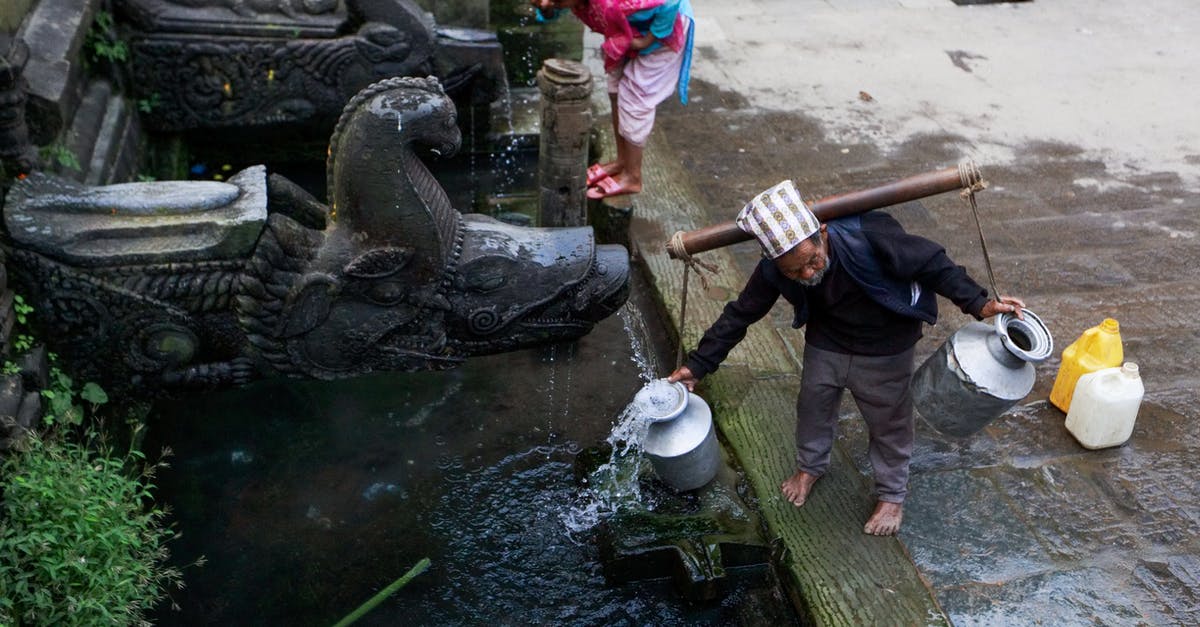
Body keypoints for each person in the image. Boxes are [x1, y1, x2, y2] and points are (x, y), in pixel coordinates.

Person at [667, 180, 1025, 536]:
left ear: (821, 232)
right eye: (794, 272)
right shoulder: (775, 268)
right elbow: (740, 314)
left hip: (886, 345)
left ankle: (891, 494)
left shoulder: (869, 234)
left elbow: (933, 264)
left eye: (812, 260)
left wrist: (979, 303)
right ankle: (810, 466)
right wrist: (697, 365)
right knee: (813, 406)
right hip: (828, 340)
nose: (807, 273)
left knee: (890, 423)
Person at [531, 0, 694, 199]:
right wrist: (547, 9)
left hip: (662, 30)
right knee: (615, 90)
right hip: (627, 30)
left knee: (635, 98)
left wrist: (647, 41)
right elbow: (552, 10)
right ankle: (622, 162)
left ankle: (633, 177)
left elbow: (670, 3)